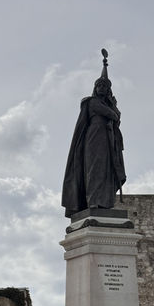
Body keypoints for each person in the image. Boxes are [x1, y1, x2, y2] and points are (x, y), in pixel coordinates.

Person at [61, 49, 126, 218]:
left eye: (105, 86)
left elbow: (117, 117)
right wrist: (113, 107)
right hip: (94, 138)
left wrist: (113, 107)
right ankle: (93, 201)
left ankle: (104, 203)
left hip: (108, 140)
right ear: (95, 88)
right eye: (100, 85)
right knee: (94, 169)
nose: (102, 88)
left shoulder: (108, 104)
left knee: (106, 171)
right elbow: (113, 115)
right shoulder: (91, 102)